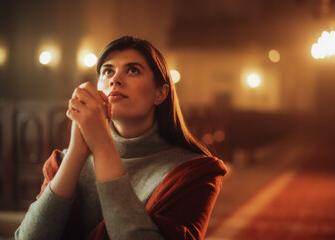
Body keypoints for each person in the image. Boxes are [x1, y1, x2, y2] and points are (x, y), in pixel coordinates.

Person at [15, 36, 227, 240]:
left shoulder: (194, 172)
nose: (115, 79)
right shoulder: (62, 161)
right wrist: (77, 152)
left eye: (133, 70)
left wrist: (102, 147)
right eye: (108, 71)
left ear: (160, 94)